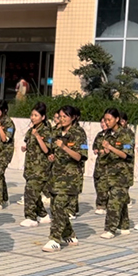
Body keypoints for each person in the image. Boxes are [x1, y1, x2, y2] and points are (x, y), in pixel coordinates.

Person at [42, 105, 86, 252]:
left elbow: (80, 156)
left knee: (60, 207)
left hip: (70, 179)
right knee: (55, 208)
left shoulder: (79, 133)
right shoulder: (56, 132)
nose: (62, 119)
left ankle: (54, 239)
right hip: (56, 176)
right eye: (60, 116)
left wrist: (64, 147)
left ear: (73, 118)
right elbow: (51, 150)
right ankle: (69, 234)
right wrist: (51, 156)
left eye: (65, 116)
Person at [97, 108, 133, 239]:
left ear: (117, 119)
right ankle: (124, 226)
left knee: (113, 202)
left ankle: (110, 229)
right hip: (109, 173)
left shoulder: (126, 134)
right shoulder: (107, 134)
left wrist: (111, 148)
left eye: (109, 120)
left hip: (122, 174)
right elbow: (102, 151)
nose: (106, 122)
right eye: (105, 120)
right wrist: (105, 151)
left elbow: (126, 154)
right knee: (119, 200)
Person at [18, 102, 52, 228]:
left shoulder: (46, 131)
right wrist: (25, 147)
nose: (33, 117)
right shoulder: (31, 130)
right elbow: (30, 143)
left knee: (30, 192)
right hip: (30, 167)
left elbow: (46, 149)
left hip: (40, 168)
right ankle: (43, 215)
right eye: (32, 115)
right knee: (34, 193)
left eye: (36, 115)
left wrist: (37, 136)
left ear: (43, 117)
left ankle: (31, 217)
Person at [92, 117, 111, 215]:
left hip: (108, 164)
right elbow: (94, 146)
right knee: (97, 182)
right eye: (102, 122)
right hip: (99, 163)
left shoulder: (111, 135)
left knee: (103, 185)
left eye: (105, 122)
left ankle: (102, 205)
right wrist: (96, 150)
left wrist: (107, 151)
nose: (103, 124)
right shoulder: (99, 135)